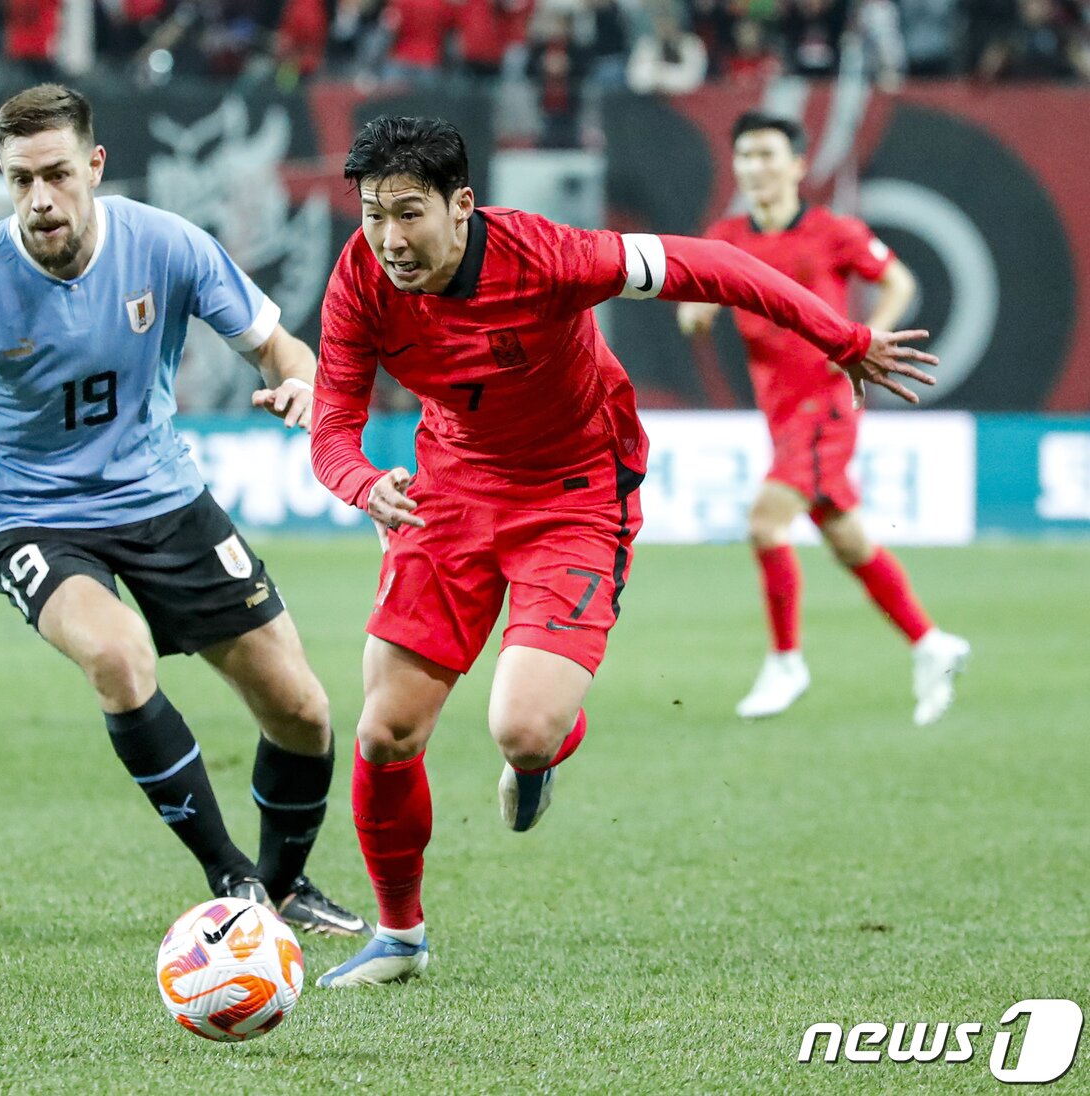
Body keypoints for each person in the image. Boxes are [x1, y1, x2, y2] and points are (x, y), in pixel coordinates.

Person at [308, 115, 938, 987]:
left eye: (408, 213)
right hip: (445, 495)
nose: (389, 239)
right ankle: (400, 936)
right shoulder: (360, 281)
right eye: (373, 214)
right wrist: (361, 483)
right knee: (384, 732)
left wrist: (843, 338)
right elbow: (332, 423)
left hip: (573, 495)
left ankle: (552, 743)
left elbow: (710, 266)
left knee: (523, 731)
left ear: (462, 205)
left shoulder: (551, 256)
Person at [0, 84, 367, 936]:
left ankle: (280, 890)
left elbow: (275, 345)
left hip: (163, 496)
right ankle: (232, 878)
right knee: (118, 653)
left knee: (304, 711)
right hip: (33, 516)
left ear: (94, 167)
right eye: (19, 180)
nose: (39, 199)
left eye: (57, 174)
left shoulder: (168, 245)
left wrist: (298, 383)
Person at [676, 111, 970, 725]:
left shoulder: (833, 230)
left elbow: (898, 281)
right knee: (847, 537)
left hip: (827, 402)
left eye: (767, 154)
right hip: (779, 410)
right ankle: (931, 643)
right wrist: (698, 312)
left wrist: (864, 345)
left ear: (798, 164)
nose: (756, 167)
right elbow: (691, 314)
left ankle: (786, 661)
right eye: (746, 155)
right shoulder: (726, 236)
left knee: (764, 522)